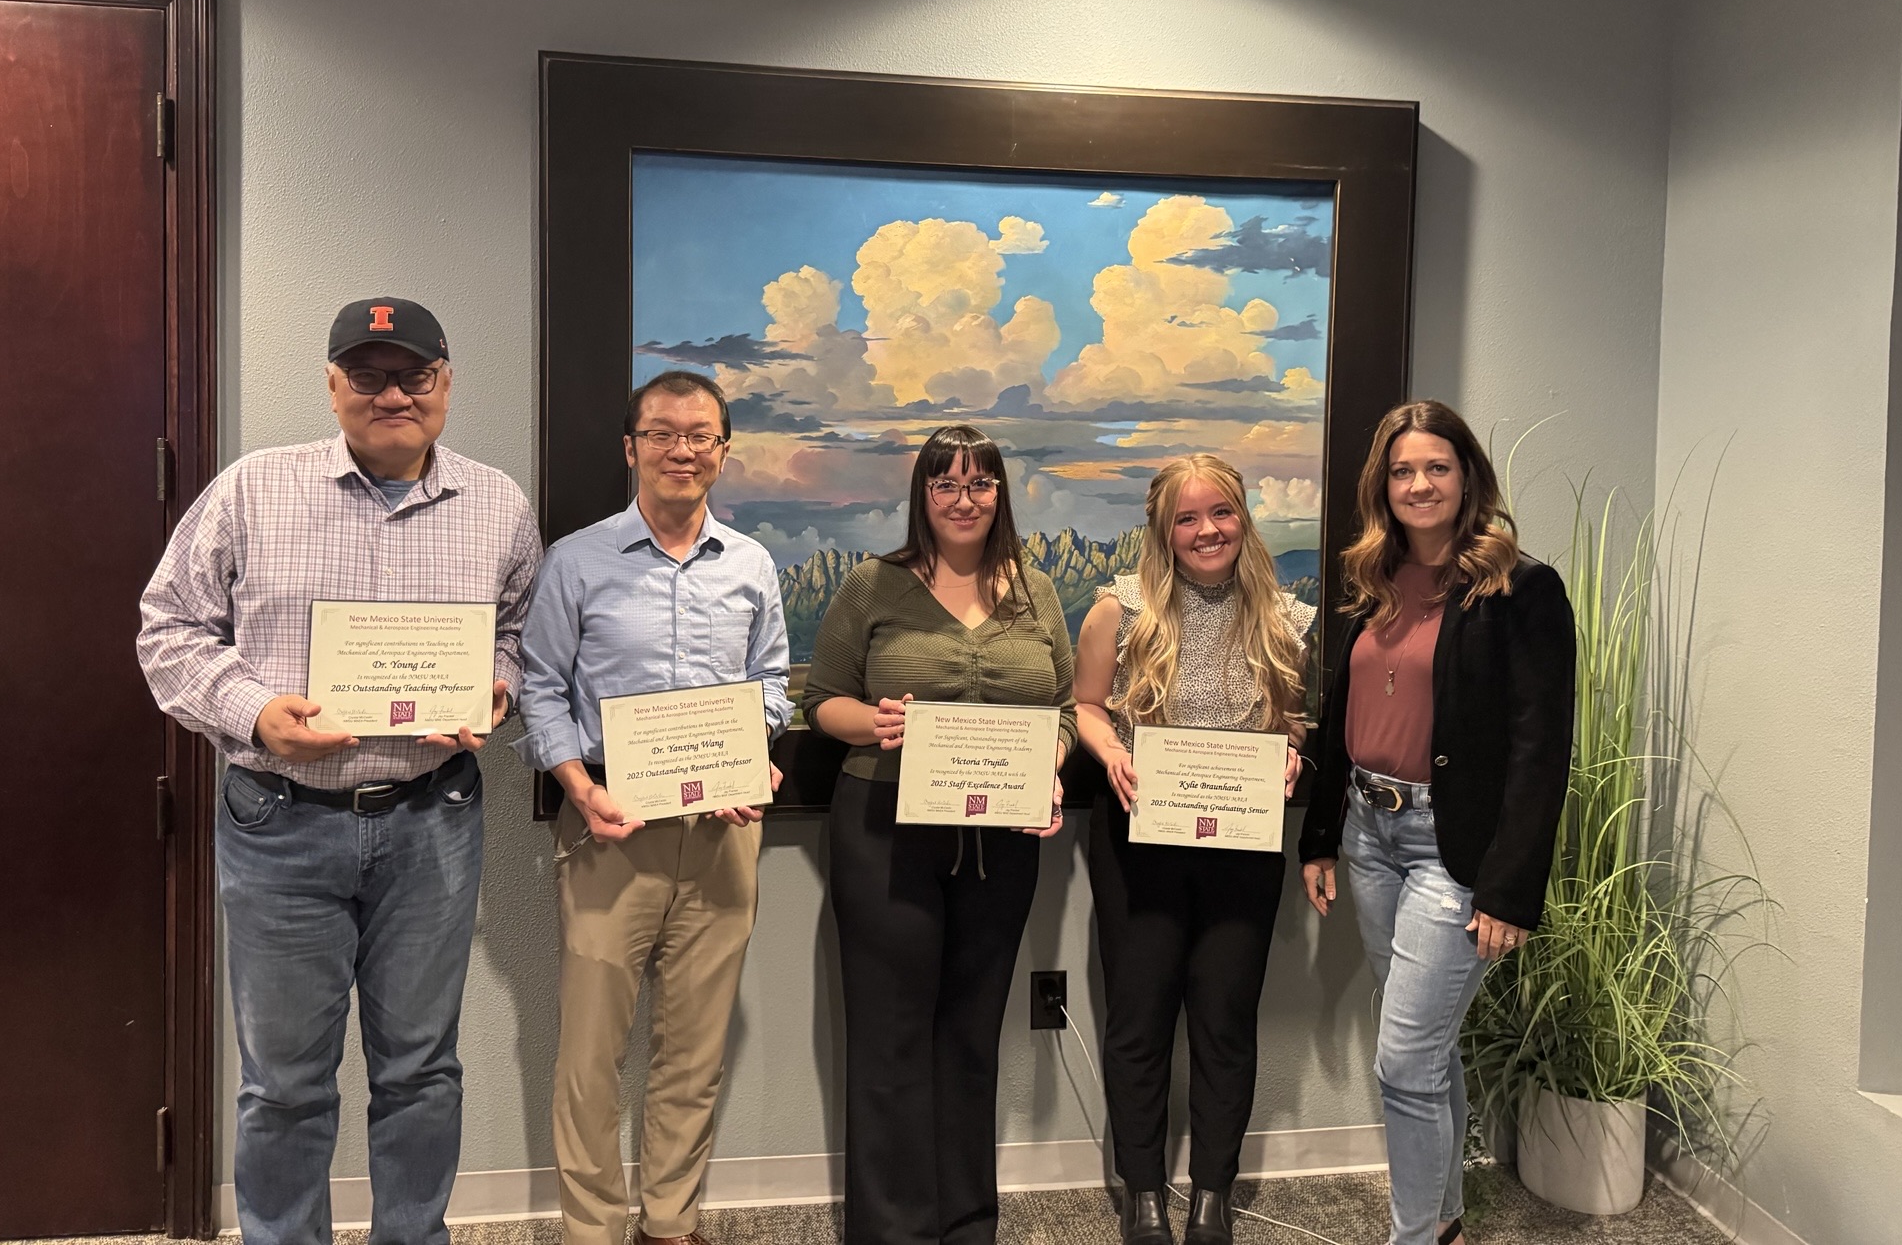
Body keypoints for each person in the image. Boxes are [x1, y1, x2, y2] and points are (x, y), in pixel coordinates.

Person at [138, 298, 540, 1245]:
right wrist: (256, 715)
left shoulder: (498, 505)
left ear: (447, 383)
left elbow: (518, 637)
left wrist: (496, 691)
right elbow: (168, 630)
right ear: (331, 386)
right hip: (279, 821)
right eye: (368, 375)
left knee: (422, 1069)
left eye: (415, 374)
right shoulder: (250, 491)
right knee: (282, 1082)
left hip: (432, 816)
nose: (393, 393)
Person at [518, 370, 790, 1245]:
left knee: (694, 1050)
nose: (683, 448)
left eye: (701, 434)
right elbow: (540, 689)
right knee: (591, 1056)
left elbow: (772, 684)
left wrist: (757, 761)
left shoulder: (750, 564)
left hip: (722, 837)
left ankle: (671, 1224)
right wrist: (579, 789)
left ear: (723, 450)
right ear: (631, 447)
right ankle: (593, 1232)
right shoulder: (579, 560)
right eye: (663, 433)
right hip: (610, 826)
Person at [1297, 401, 1575, 1245]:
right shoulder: (1371, 579)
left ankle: (1413, 1235)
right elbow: (1338, 713)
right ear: (1382, 486)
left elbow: (1540, 748)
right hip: (1368, 835)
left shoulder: (1521, 588)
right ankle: (1446, 1219)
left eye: (1436, 468)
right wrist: (1319, 836)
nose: (1418, 485)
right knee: (1428, 1050)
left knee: (1403, 1060)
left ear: (1468, 477)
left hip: (1451, 851)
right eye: (1401, 471)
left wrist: (1509, 890)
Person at [801, 425, 1075, 1245]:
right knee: (888, 1039)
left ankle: (965, 1224)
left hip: (1000, 837)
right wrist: (876, 722)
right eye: (945, 483)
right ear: (921, 495)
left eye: (980, 483)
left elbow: (1062, 710)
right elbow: (822, 700)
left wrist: (1051, 767)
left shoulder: (1037, 591)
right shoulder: (872, 585)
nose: (964, 499)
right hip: (885, 830)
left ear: (1001, 494)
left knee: (970, 1031)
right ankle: (890, 1231)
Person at [1073, 455, 1314, 1245]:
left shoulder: (1287, 617)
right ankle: (1143, 1192)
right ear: (1162, 528)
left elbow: (1294, 724)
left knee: (1224, 1019)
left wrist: (1292, 755)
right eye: (1187, 517)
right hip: (1138, 838)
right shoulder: (1122, 609)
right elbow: (1086, 707)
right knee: (1138, 1020)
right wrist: (1110, 752)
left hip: (1241, 843)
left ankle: (1213, 1193)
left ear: (1244, 518)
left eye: (1221, 513)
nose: (1206, 530)